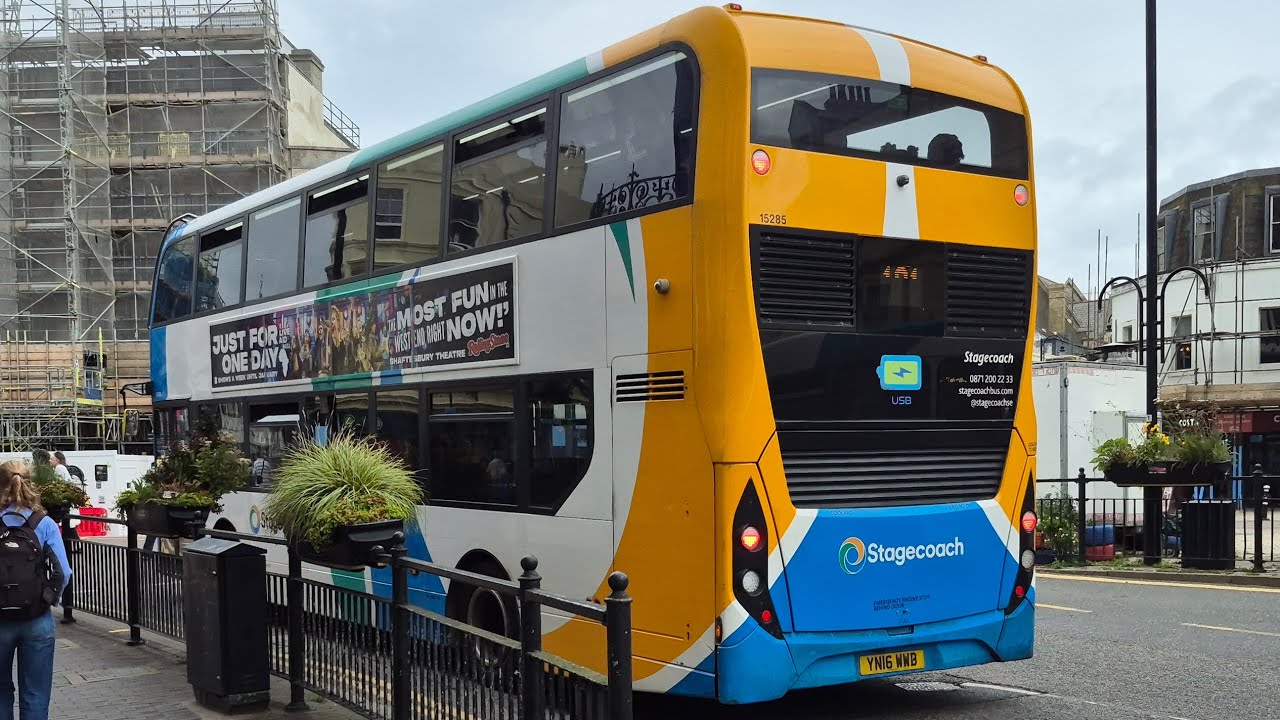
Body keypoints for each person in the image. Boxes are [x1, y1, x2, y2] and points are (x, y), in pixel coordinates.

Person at [0, 460, 71, 720]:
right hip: (36, 619)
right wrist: (47, 599)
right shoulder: (45, 523)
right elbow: (63, 572)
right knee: (36, 694)